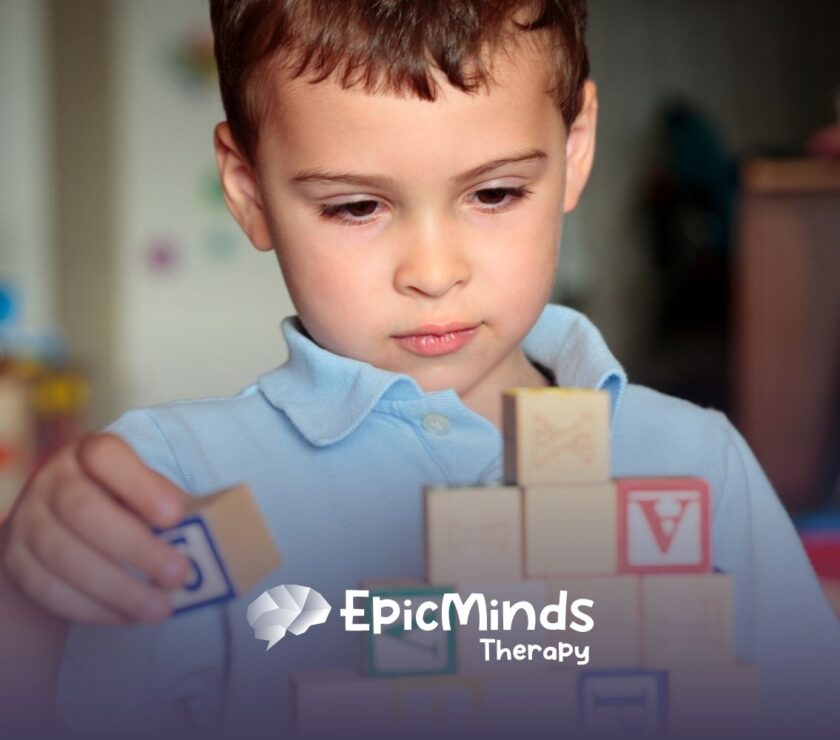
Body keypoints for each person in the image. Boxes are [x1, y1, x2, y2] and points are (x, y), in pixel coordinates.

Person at [1, 1, 838, 738]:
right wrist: (27, 606)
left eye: (496, 194)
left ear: (575, 149)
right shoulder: (170, 483)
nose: (434, 272)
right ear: (250, 191)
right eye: (357, 206)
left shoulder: (697, 465)